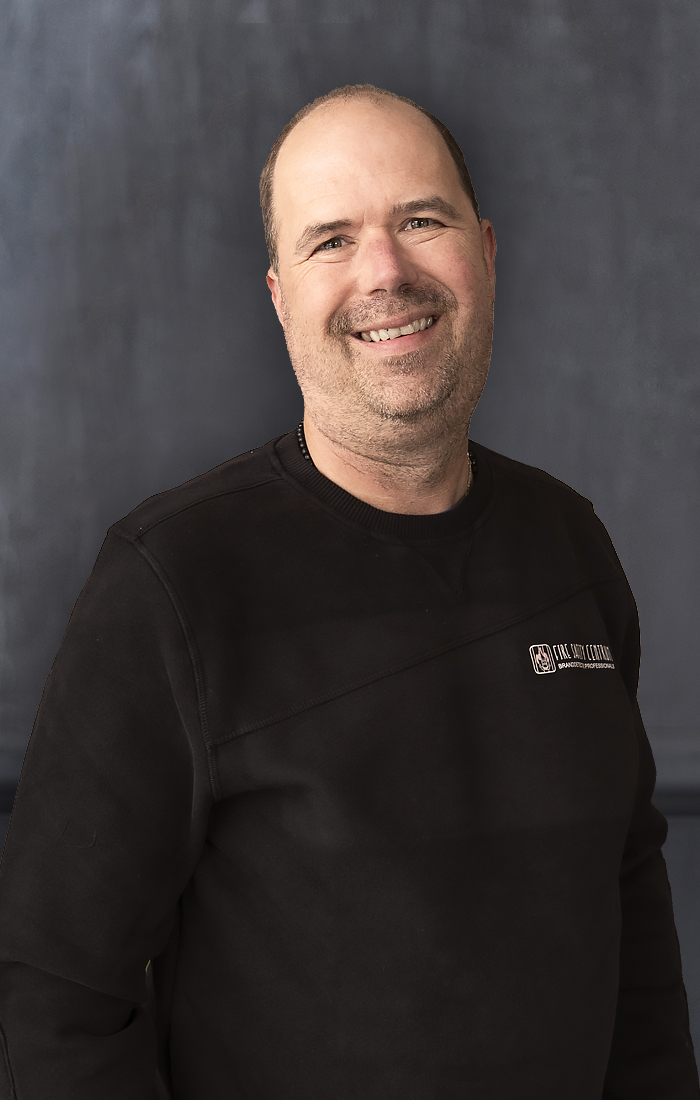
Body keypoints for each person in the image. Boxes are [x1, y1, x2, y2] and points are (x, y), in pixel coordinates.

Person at [0, 82, 697, 1100]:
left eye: (421, 221)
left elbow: (630, 904)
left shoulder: (568, 546)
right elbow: (53, 992)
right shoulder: (173, 579)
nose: (385, 272)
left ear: (485, 252)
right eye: (332, 239)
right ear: (281, 295)